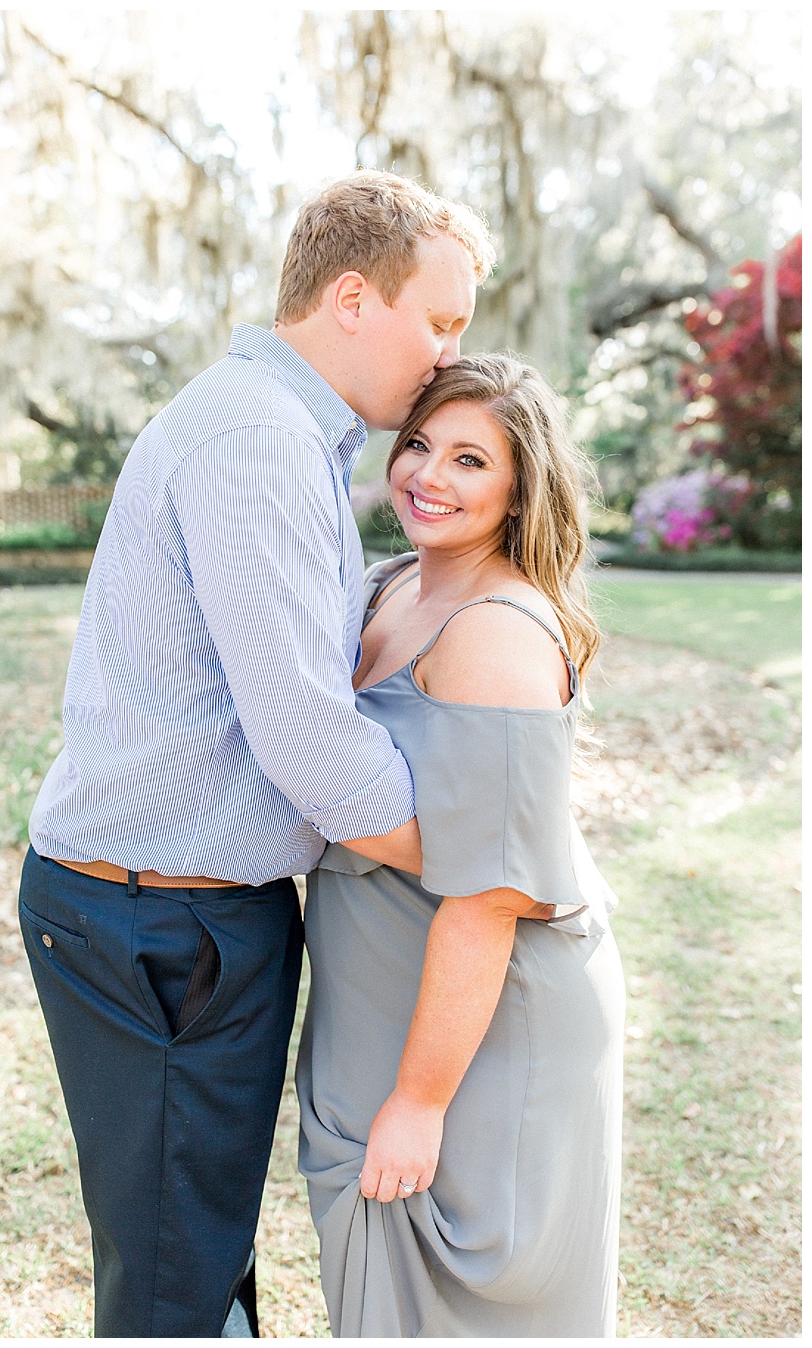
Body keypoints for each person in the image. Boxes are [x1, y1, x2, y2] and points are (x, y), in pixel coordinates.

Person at [19, 171, 496, 1337]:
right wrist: (492, 865)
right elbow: (307, 740)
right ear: (350, 297)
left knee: (197, 1246)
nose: (443, 357)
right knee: (177, 1286)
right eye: (438, 320)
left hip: (180, 916)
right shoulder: (256, 440)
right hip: (157, 927)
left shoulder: (280, 431)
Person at [296, 353, 623, 1336]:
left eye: (471, 460)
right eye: (421, 445)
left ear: (521, 487)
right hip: (381, 989)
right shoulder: (390, 585)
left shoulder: (499, 636)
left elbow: (494, 892)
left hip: (488, 1025)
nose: (430, 476)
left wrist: (421, 1099)